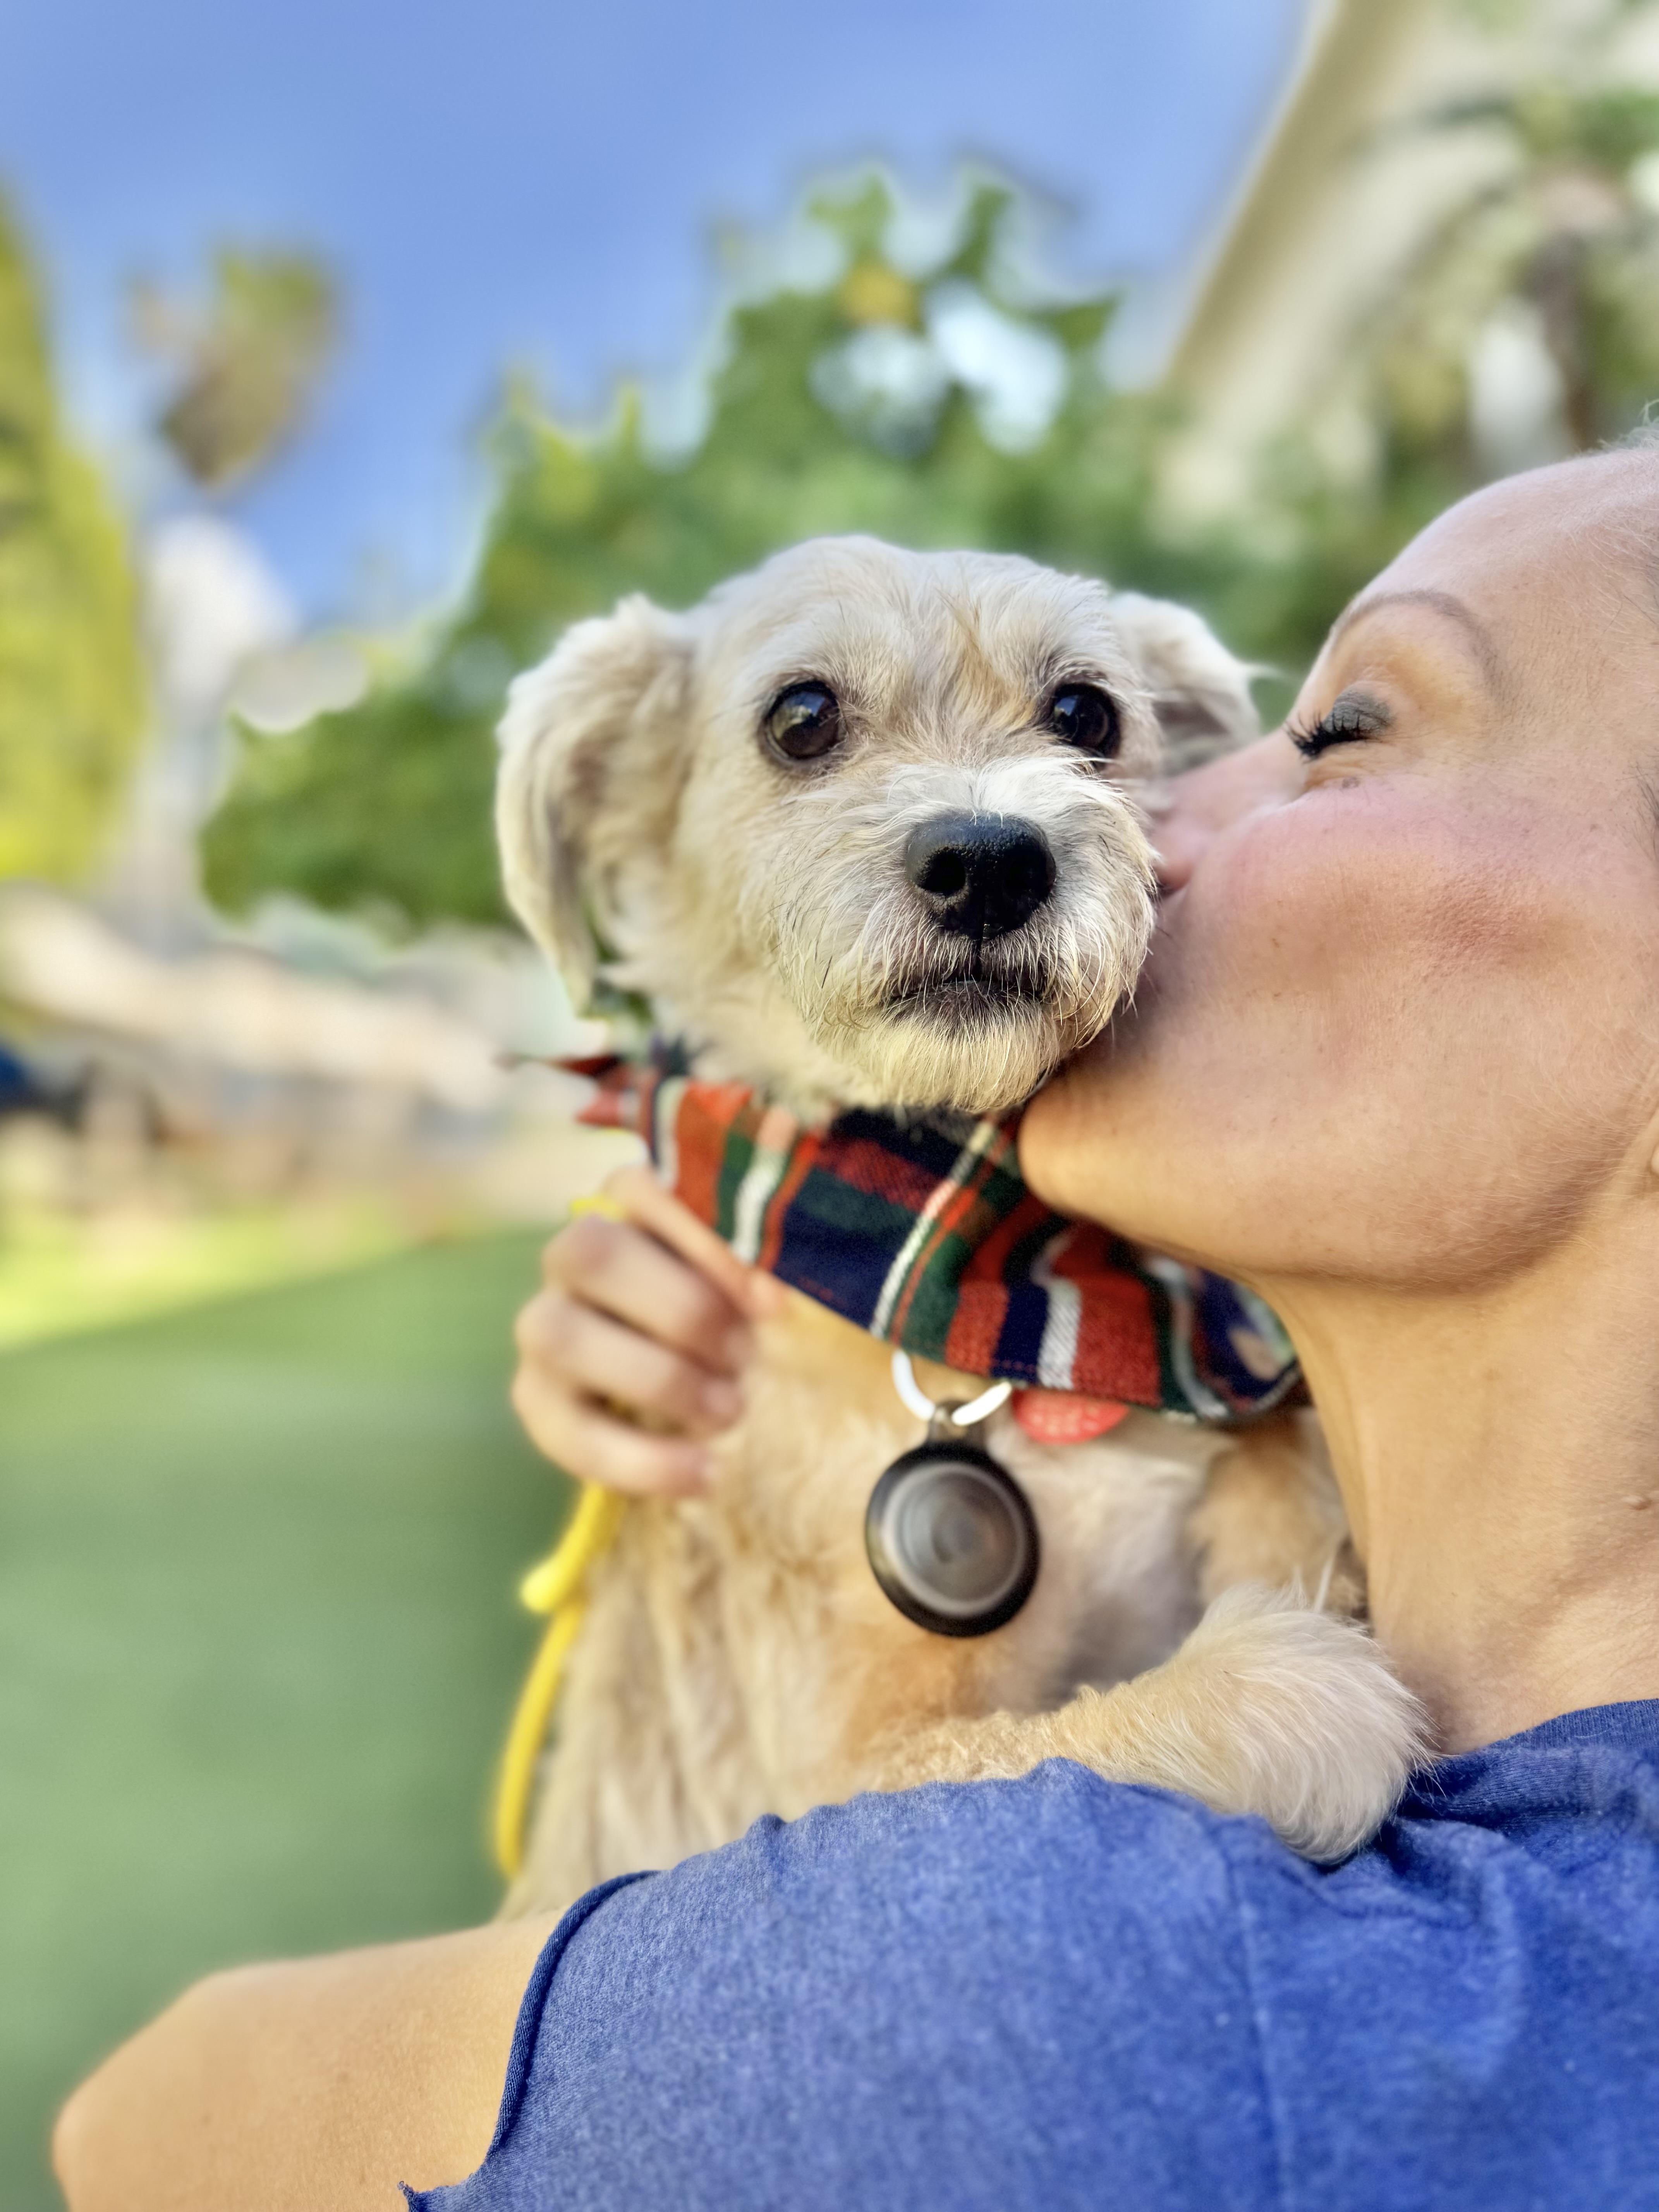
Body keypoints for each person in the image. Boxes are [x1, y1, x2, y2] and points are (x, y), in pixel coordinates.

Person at [55, 452, 1659, 2210]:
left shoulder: (1122, 2022)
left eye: (1338, 733)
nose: (1159, 828)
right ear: (617, 806)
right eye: (811, 721)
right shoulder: (906, 1320)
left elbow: (144, 2125)